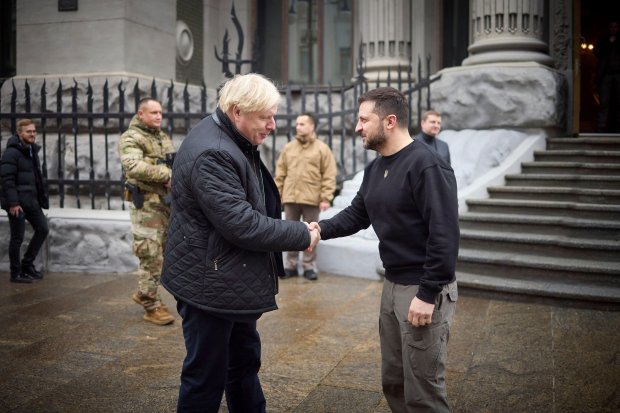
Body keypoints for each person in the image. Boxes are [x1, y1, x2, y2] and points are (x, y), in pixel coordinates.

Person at [160, 73, 319, 412]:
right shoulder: (214, 152)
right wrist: (302, 233)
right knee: (205, 378)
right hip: (209, 285)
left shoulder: (230, 137)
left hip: (227, 280)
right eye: (266, 117)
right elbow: (242, 224)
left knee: (242, 364)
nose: (274, 125)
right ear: (237, 111)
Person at [309, 87, 460, 412]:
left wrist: (427, 293)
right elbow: (357, 214)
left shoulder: (427, 165)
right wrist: (319, 228)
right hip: (392, 286)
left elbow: (444, 235)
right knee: (394, 380)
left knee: (423, 391)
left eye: (364, 119)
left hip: (422, 288)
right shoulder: (376, 168)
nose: (357, 127)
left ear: (390, 121)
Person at [118, 97, 176, 326]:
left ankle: (145, 293)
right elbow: (133, 167)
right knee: (150, 254)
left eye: (160, 112)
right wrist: (167, 175)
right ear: (140, 114)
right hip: (146, 207)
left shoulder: (161, 137)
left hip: (165, 204)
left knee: (163, 255)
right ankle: (151, 306)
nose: (159, 116)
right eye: (153, 112)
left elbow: (173, 162)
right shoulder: (131, 137)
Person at [274, 112, 337, 281]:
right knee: (289, 233)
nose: (298, 127)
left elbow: (329, 174)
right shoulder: (289, 148)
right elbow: (280, 174)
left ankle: (309, 266)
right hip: (290, 198)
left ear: (312, 127)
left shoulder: (322, 149)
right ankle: (291, 265)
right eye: (297, 124)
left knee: (312, 233)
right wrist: (277, 195)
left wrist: (325, 197)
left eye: (302, 124)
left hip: (311, 199)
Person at [0, 119, 49, 284]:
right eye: (29, 131)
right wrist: (13, 203)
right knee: (17, 238)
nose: (33, 134)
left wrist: (41, 198)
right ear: (19, 133)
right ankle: (15, 273)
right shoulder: (11, 153)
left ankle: (27, 264)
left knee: (42, 228)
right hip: (17, 204)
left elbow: (36, 178)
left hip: (31, 201)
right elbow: (7, 180)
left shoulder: (31, 150)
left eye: (34, 131)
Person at [595, 19, 620, 132]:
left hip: (619, 74)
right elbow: (596, 52)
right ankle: (602, 125)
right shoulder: (604, 40)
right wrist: (609, 43)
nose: (613, 29)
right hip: (606, 74)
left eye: (615, 27)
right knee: (604, 101)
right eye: (611, 27)